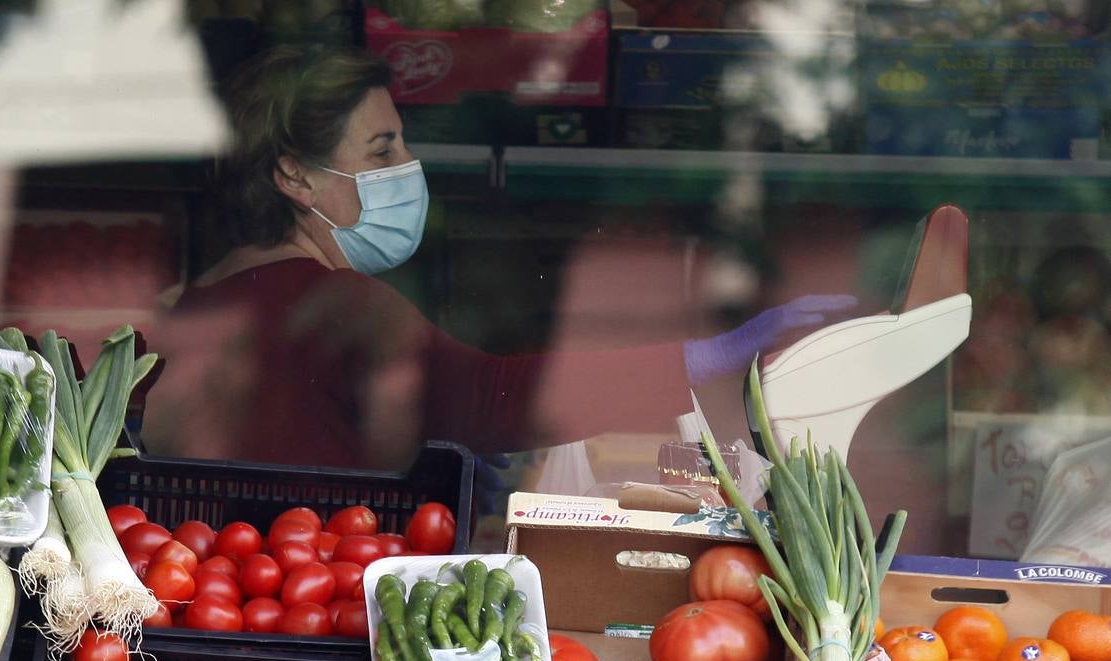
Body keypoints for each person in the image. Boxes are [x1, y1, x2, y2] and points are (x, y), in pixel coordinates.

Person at [144, 46, 853, 471]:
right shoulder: (337, 303)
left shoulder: (206, 294)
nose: (409, 165)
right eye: (382, 149)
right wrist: (709, 358)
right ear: (294, 177)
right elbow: (498, 399)